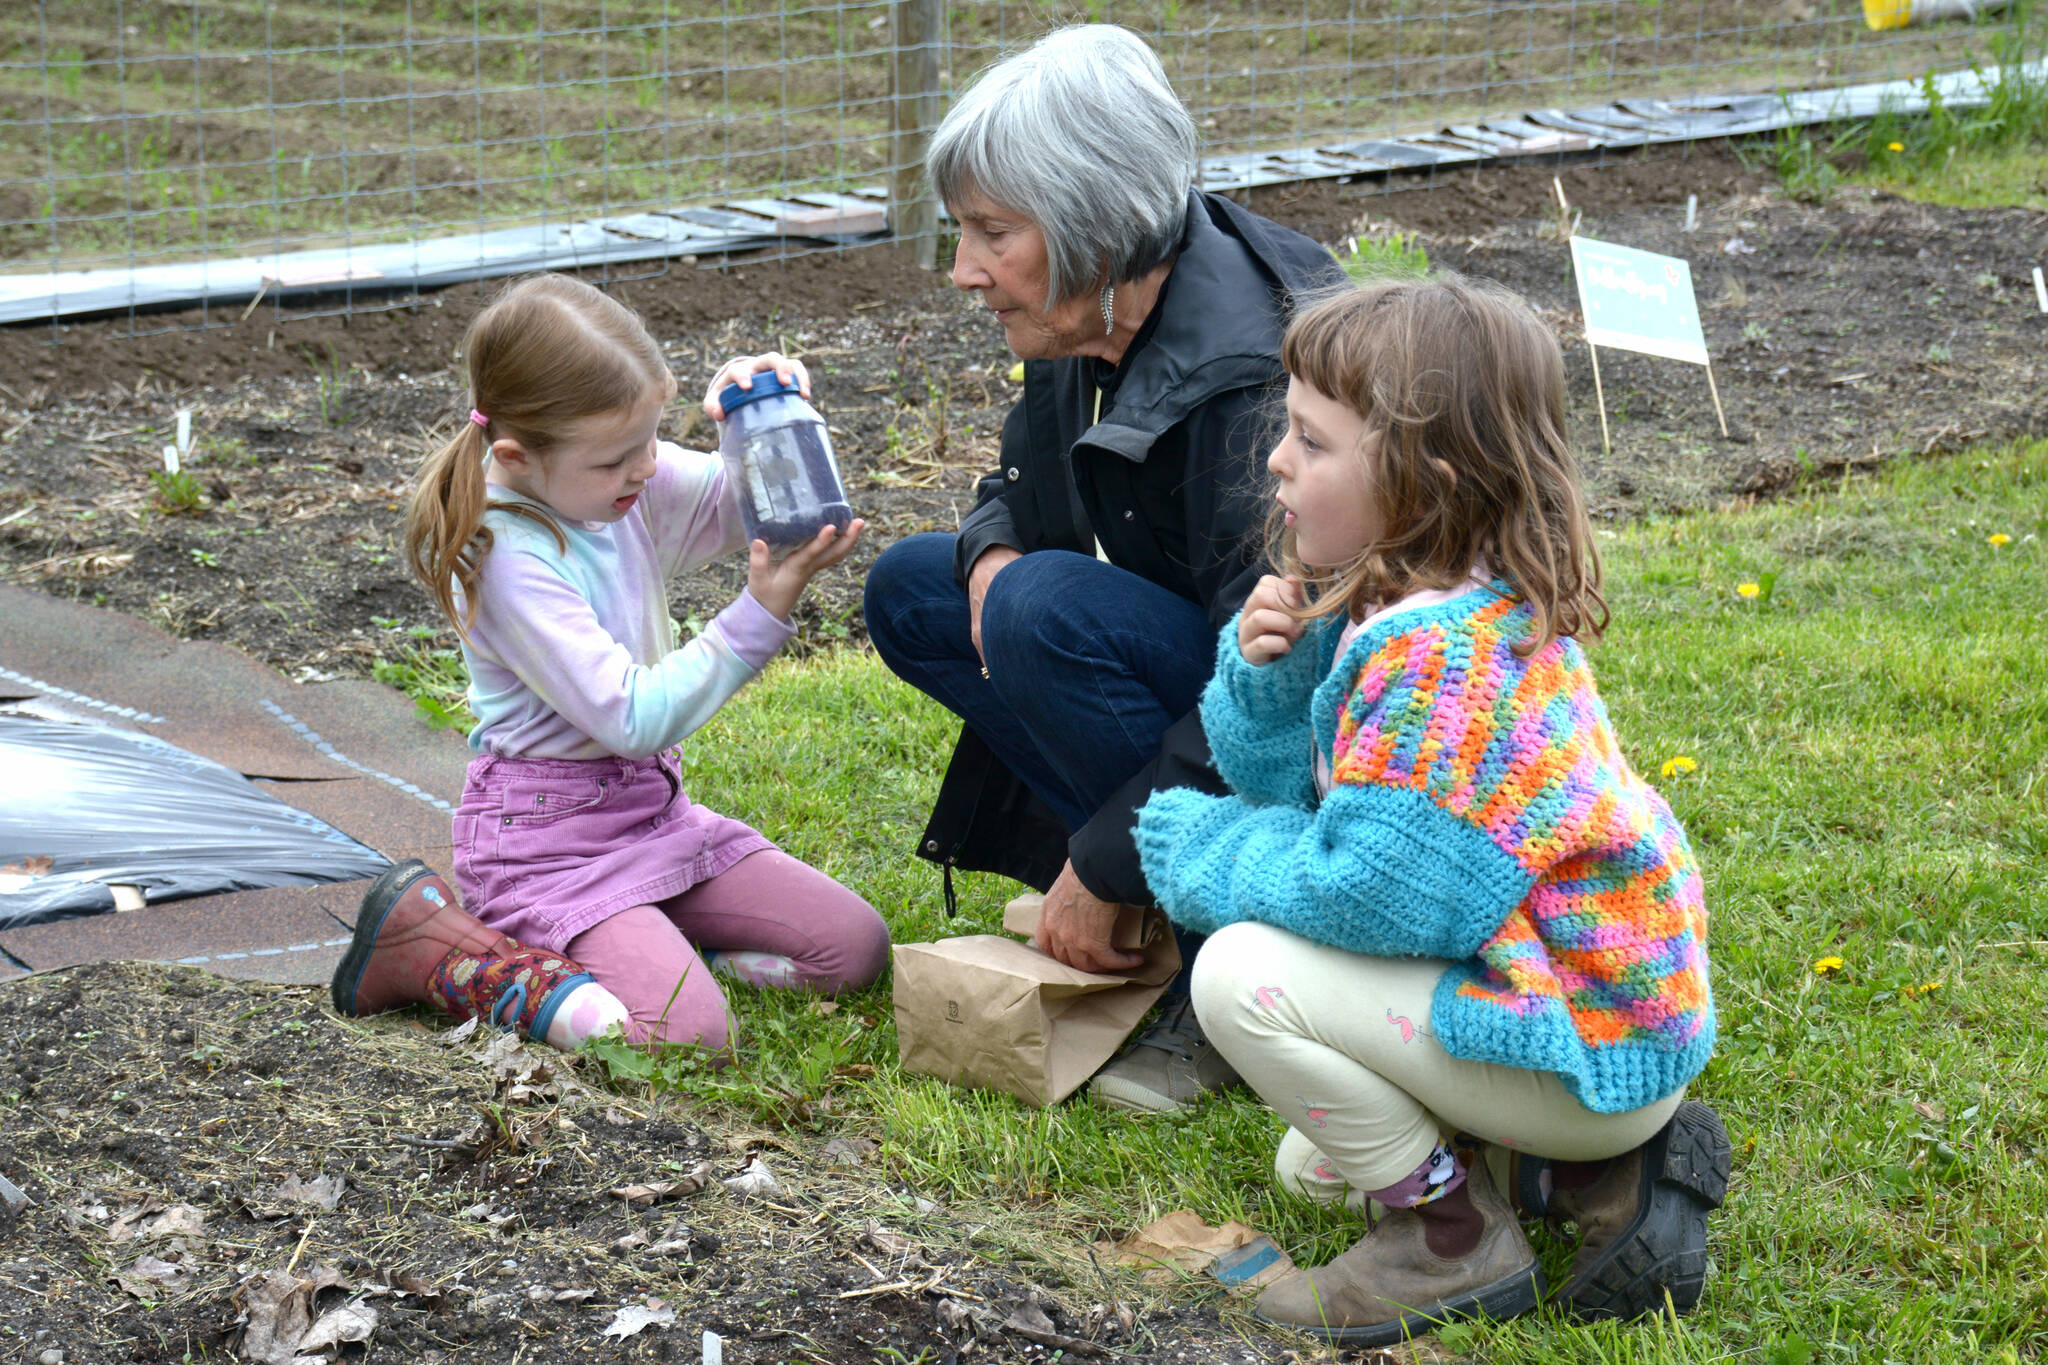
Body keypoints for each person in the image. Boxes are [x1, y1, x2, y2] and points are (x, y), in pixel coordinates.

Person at [1131, 276, 1730, 1344]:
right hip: (1592, 1016)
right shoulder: (1422, 598)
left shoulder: (1442, 664)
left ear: (1422, 479)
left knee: (1236, 977)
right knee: (1314, 1166)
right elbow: (1298, 790)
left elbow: (1371, 896)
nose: (1275, 461)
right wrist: (1273, 674)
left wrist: (1201, 848)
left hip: (1579, 1033)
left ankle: (1449, 1239)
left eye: (1312, 441)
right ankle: (1578, 1176)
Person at [862, 24, 1346, 1113]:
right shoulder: (1094, 307)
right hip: (1217, 681)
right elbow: (1018, 485)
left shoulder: (1251, 376)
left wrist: (1101, 864)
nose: (963, 270)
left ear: (1093, 223)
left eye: (993, 233)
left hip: (1310, 734)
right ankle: (1143, 886)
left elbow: (1286, 672)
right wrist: (987, 551)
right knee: (916, 589)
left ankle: (1223, 953)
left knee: (1040, 609)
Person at [332, 273, 890, 1056]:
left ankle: (650, 954)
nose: (647, 469)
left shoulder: (607, 482)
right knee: (686, 1036)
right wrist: (759, 613)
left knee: (852, 948)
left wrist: (758, 421)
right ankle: (452, 956)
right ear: (517, 457)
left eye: (651, 442)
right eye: (620, 458)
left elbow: (737, 505)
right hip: (545, 848)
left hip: (650, 815)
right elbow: (632, 717)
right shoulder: (506, 557)